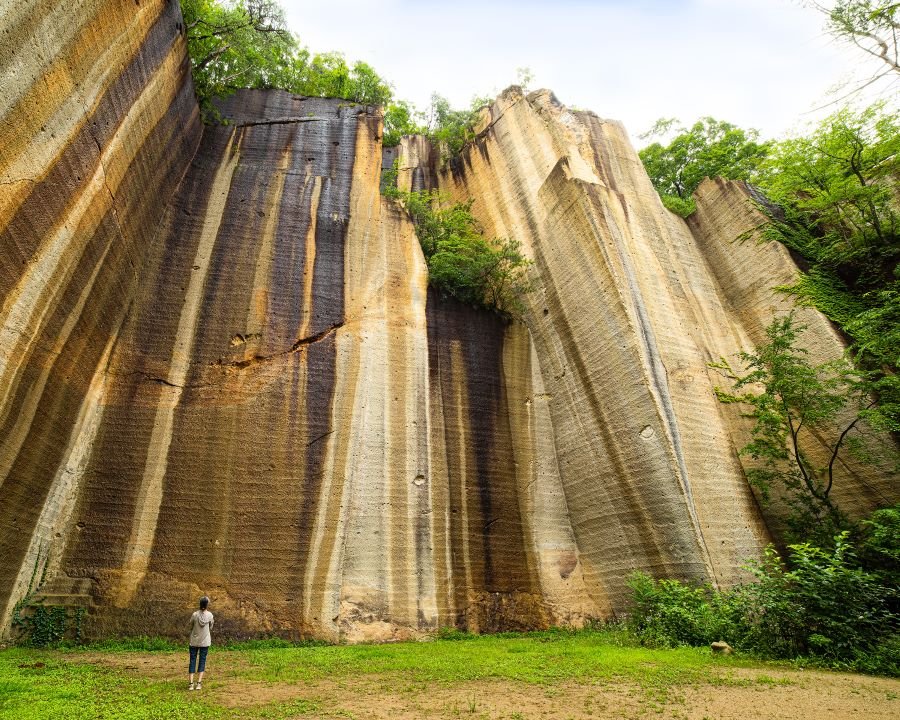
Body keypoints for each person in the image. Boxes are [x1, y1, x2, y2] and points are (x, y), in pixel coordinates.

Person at [188, 595, 214, 691]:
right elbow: (211, 627)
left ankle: (191, 684)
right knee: (202, 660)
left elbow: (190, 625)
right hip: (205, 641)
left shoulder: (195, 614)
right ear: (207, 605)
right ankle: (199, 683)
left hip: (194, 641)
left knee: (192, 660)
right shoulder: (210, 615)